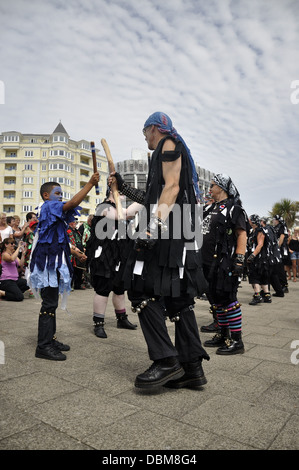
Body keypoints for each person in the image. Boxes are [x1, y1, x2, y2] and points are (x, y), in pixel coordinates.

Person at [109, 111, 209, 390]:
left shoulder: (167, 144)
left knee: (141, 289)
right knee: (177, 297)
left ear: (154, 128)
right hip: (178, 228)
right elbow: (154, 196)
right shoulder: (168, 151)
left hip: (167, 229)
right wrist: (124, 187)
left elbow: (173, 188)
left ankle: (166, 360)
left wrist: (152, 228)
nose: (144, 138)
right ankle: (192, 369)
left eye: (145, 132)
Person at [26, 172, 99, 361]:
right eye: (57, 193)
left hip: (52, 261)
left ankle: (50, 339)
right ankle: (43, 345)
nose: (60, 196)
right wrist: (90, 184)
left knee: (52, 302)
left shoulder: (51, 209)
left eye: (61, 193)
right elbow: (73, 204)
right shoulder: (50, 206)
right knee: (49, 303)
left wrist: (73, 252)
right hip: (48, 263)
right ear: (46, 196)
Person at [201, 174, 248, 355]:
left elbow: (241, 234)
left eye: (212, 185)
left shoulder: (234, 209)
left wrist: (239, 259)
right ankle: (223, 334)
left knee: (228, 299)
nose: (210, 188)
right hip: (207, 262)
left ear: (221, 188)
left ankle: (237, 341)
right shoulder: (209, 207)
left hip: (224, 262)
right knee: (216, 300)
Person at [86, 188, 138, 338]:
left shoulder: (118, 208)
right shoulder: (103, 207)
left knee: (119, 289)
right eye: (121, 192)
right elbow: (125, 214)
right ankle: (98, 323)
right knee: (103, 289)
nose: (124, 195)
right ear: (112, 192)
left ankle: (121, 318)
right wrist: (145, 197)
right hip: (104, 256)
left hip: (119, 256)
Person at [247, 214, 272, 305]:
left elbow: (260, 244)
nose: (249, 221)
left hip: (259, 258)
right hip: (260, 257)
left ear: (253, 222)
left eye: (250, 220)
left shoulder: (259, 231)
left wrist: (252, 256)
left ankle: (257, 296)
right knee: (262, 276)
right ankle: (267, 295)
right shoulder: (253, 231)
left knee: (255, 276)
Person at [67, 220, 86, 290]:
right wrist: (74, 248)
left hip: (79, 251)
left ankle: (78, 285)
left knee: (79, 269)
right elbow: (69, 242)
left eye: (76, 222)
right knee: (73, 269)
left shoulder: (76, 231)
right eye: (74, 222)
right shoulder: (68, 230)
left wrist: (82, 247)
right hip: (73, 252)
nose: (75, 223)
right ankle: (70, 285)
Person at [272, 215, 289, 293]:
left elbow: (281, 238)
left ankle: (284, 285)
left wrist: (277, 248)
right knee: (277, 268)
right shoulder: (276, 227)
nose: (273, 221)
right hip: (277, 250)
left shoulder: (281, 227)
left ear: (277, 220)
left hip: (281, 250)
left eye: (274, 219)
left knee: (280, 268)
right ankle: (280, 284)